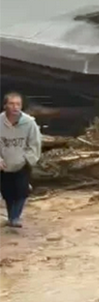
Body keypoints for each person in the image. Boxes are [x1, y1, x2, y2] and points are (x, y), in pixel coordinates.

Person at [0, 92, 41, 228]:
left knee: (22, 191)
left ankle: (15, 217)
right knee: (7, 192)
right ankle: (11, 217)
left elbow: (34, 143)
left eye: (18, 104)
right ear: (5, 105)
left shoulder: (29, 123)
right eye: (11, 104)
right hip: (4, 164)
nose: (15, 107)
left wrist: (28, 159)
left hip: (22, 164)